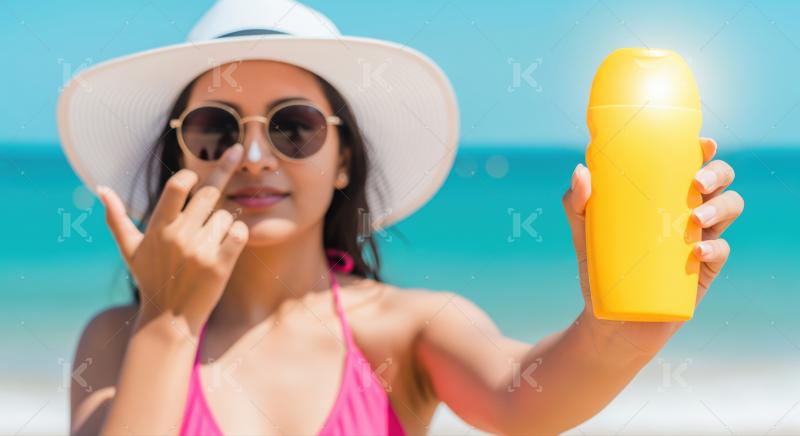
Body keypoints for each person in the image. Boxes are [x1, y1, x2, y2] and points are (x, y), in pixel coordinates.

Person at [58, 0, 744, 434]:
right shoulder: (121, 341)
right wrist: (170, 324)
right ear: (179, 152)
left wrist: (620, 332)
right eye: (216, 129)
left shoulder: (406, 330)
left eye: (295, 128)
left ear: (346, 157)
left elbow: (524, 402)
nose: (254, 156)